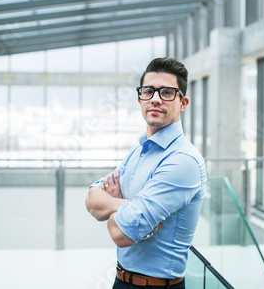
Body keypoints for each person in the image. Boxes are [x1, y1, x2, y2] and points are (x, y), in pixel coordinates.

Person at [85, 57, 207, 289]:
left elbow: (121, 234)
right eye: (149, 91)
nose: (156, 99)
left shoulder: (183, 161)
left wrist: (112, 203)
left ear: (183, 103)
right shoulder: (139, 148)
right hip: (121, 280)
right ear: (140, 98)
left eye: (167, 93)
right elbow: (91, 199)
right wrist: (131, 205)